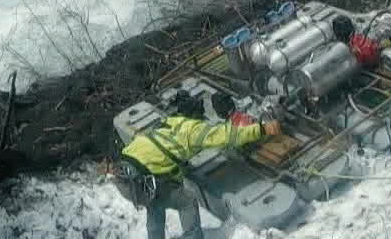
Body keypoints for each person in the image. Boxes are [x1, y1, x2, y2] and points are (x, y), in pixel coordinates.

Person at [118, 92, 282, 239]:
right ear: (196, 115)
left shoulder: (170, 121)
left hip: (125, 173)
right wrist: (261, 129)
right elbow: (227, 136)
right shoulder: (193, 129)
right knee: (187, 202)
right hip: (145, 178)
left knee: (155, 205)